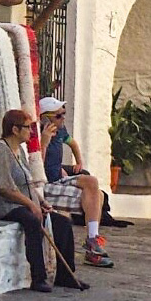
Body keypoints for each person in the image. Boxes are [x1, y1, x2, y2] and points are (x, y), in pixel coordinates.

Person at [0, 108, 87, 293]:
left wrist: (40, 202)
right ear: (15, 129)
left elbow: (26, 184)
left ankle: (65, 275)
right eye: (28, 127)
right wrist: (30, 204)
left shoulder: (19, 150)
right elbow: (3, 187)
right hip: (1, 205)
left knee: (62, 223)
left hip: (20, 202)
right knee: (32, 220)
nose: (31, 131)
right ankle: (38, 278)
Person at [36, 96, 113, 268]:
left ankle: (93, 239)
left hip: (59, 176)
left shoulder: (61, 131)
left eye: (63, 114)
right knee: (97, 198)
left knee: (92, 183)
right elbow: (35, 167)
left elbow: (73, 144)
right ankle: (92, 248)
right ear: (45, 117)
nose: (63, 118)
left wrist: (78, 163)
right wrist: (44, 143)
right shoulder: (38, 135)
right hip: (45, 182)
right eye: (58, 116)